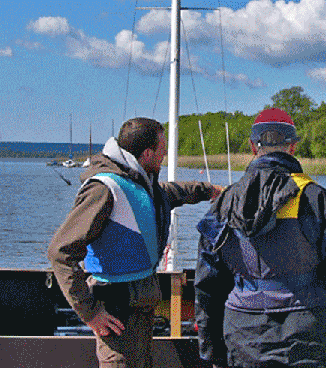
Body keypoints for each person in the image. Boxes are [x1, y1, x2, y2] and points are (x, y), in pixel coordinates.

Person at [194, 108, 326, 368]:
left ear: (251, 146)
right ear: (292, 147)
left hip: (243, 337)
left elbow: (207, 285)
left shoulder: (225, 202)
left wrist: (212, 351)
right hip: (309, 338)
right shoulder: (317, 200)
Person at [47, 117, 222, 368]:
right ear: (148, 153)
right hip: (116, 314)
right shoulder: (104, 189)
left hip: (140, 308)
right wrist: (91, 313)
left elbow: (169, 193)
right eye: (162, 150)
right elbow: (60, 251)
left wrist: (209, 191)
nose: (165, 155)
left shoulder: (138, 180)